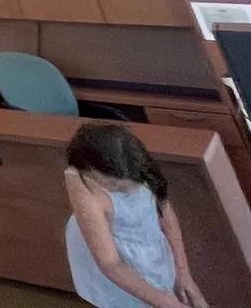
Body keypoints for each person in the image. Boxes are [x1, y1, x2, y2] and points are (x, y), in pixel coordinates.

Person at [64, 122, 208, 308]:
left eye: (132, 185)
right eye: (115, 186)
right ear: (90, 173)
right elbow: (110, 264)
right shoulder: (85, 190)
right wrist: (164, 301)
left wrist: (183, 273)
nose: (127, 191)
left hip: (143, 244)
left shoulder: (140, 169)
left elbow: (164, 212)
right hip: (112, 256)